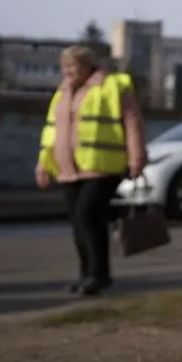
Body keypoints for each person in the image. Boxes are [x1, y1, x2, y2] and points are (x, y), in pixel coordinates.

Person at [35, 45, 147, 296]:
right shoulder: (62, 91)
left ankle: (99, 274)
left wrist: (137, 156)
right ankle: (86, 274)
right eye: (64, 67)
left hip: (102, 165)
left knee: (88, 215)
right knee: (79, 221)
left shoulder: (113, 86)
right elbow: (51, 130)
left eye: (72, 67)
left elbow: (132, 123)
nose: (67, 72)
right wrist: (43, 163)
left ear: (87, 66)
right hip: (68, 167)